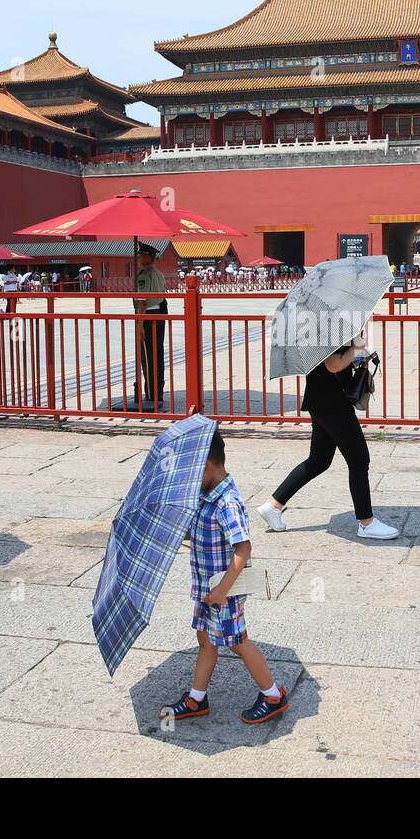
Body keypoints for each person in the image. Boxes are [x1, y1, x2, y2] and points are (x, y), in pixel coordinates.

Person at [160, 430, 289, 725]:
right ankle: (197, 698)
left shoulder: (227, 502)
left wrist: (222, 590)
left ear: (206, 466)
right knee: (205, 638)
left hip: (225, 590)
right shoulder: (207, 497)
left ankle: (272, 695)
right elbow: (201, 535)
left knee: (237, 641)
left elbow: (243, 548)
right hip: (209, 588)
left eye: (192, 472)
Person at [258, 331, 399, 540]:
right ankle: (366, 523)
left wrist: (358, 357)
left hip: (323, 399)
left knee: (319, 460)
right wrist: (356, 348)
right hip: (331, 403)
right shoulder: (325, 327)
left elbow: (336, 365)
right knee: (359, 459)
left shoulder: (326, 323)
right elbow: (332, 365)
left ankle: (273, 506)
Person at [133, 243, 168, 408]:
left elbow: (143, 302)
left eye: (141, 255)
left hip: (148, 318)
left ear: (148, 256)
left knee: (148, 357)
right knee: (158, 354)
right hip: (160, 315)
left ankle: (152, 394)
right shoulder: (159, 274)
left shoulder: (144, 276)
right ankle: (158, 392)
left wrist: (139, 324)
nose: (139, 258)